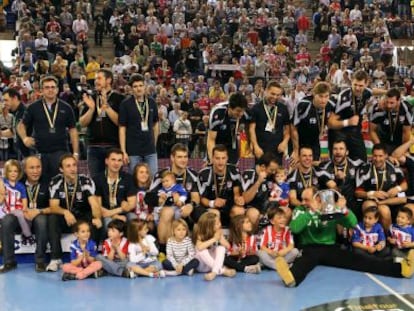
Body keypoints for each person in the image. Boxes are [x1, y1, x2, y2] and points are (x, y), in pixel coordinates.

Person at [274, 187, 414, 287]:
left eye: (306, 199)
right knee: (304, 262)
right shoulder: (300, 210)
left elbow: (353, 223)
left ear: (318, 199)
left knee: (363, 261)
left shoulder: (331, 209)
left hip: (330, 248)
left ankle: (401, 269)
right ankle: (292, 278)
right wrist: (311, 211)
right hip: (309, 247)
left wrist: (344, 210)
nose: (302, 202)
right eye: (302, 199)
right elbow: (295, 228)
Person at [17, 75, 79, 182]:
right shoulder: (33, 107)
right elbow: (21, 125)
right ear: (41, 90)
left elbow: (73, 131)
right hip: (40, 151)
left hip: (60, 151)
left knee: (60, 183)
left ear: (57, 90)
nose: (50, 90)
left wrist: (76, 153)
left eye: (53, 87)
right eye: (47, 87)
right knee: (41, 183)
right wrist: (25, 138)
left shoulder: (66, 107)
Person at [47, 154, 102, 272]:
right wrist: (65, 212)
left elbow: (94, 204)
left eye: (74, 165)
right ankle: (56, 258)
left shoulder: (85, 180)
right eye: (68, 166)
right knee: (52, 218)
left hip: (82, 217)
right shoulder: (55, 181)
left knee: (95, 222)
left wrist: (97, 217)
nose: (72, 169)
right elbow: (53, 206)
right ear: (61, 169)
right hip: (65, 218)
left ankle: (91, 258)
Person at [0, 156, 51, 273]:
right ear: (24, 170)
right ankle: (9, 262)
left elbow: (53, 207)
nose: (35, 171)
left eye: (38, 167)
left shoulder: (48, 182)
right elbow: (3, 180)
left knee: (42, 220)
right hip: (20, 216)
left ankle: (40, 261)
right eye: (32, 168)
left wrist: (38, 211)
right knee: (7, 220)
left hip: (38, 215)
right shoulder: (18, 182)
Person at [150, 143, 200, 246]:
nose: (183, 160)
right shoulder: (161, 175)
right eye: (179, 157)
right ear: (172, 158)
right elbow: (150, 197)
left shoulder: (193, 175)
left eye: (185, 157)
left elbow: (196, 197)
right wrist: (161, 199)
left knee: (203, 215)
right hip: (165, 212)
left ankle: (199, 251)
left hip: (185, 210)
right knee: (168, 212)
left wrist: (191, 205)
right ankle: (164, 250)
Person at [327, 70, 382, 162]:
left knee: (361, 161)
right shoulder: (344, 98)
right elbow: (331, 123)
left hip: (354, 131)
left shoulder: (366, 92)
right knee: (339, 163)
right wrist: (348, 122)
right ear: (351, 81)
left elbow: (373, 91)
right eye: (355, 84)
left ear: (366, 84)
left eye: (360, 85)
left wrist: (388, 92)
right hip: (338, 133)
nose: (357, 88)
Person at [79, 69, 125, 177]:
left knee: (114, 181)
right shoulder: (91, 98)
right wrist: (91, 109)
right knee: (95, 182)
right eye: (95, 79)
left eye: (99, 78)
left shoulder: (119, 99)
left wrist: (107, 107)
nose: (95, 81)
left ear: (108, 80)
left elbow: (121, 122)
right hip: (93, 147)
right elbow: (82, 123)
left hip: (113, 147)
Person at [355, 144, 407, 229]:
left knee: (386, 210)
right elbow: (357, 192)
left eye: (380, 156)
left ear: (386, 155)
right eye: (375, 156)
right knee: (377, 208)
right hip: (370, 200)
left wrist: (397, 188)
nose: (377, 159)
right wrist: (371, 194)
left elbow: (405, 184)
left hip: (390, 200)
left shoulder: (393, 166)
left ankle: (387, 238)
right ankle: (370, 236)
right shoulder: (364, 169)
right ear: (372, 155)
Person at [119, 73, 159, 175]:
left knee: (153, 179)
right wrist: (123, 151)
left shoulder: (151, 102)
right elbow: (122, 128)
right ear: (131, 88)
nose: (138, 89)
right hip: (133, 151)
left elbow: (156, 124)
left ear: (145, 86)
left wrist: (154, 143)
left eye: (141, 86)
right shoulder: (125, 104)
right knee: (135, 181)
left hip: (150, 150)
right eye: (135, 86)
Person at [198, 145, 245, 227]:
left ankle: (237, 238)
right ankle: (215, 239)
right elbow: (201, 198)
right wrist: (213, 203)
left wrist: (238, 199)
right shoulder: (204, 173)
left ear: (227, 158)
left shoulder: (234, 171)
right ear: (212, 158)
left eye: (223, 158)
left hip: (228, 206)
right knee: (215, 214)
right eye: (217, 158)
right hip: (211, 207)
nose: (221, 162)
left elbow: (236, 192)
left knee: (239, 211)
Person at [291, 81, 335, 163]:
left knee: (315, 169)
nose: (323, 100)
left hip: (314, 142)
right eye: (321, 96)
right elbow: (293, 127)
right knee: (297, 168)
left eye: (326, 96)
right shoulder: (304, 105)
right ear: (314, 94)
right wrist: (296, 150)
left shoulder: (330, 105)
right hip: (300, 142)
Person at [93, 148, 137, 230]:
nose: (116, 163)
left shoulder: (128, 178)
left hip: (122, 213)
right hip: (104, 213)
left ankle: (132, 242)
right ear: (106, 161)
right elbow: (97, 206)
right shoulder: (97, 179)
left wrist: (113, 213)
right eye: (113, 160)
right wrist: (113, 215)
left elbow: (131, 204)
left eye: (119, 160)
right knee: (108, 224)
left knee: (134, 219)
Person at [249, 80, 290, 165]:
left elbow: (287, 129)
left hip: (277, 150)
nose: (275, 97)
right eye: (272, 94)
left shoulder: (283, 108)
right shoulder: (256, 108)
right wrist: (255, 146)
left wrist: (284, 142)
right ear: (266, 91)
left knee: (277, 176)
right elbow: (251, 129)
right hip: (261, 149)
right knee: (261, 175)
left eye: (278, 95)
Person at [318, 139, 362, 216]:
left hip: (351, 206)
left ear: (347, 152)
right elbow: (335, 189)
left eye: (341, 149)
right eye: (335, 149)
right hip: (332, 206)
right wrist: (338, 179)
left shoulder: (356, 165)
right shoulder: (324, 167)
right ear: (331, 151)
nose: (338, 152)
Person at [207, 92, 249, 165]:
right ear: (230, 108)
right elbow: (211, 139)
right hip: (217, 141)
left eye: (243, 111)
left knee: (231, 169)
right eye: (238, 111)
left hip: (232, 142)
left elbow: (247, 133)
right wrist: (212, 159)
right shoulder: (218, 113)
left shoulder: (245, 114)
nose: (241, 114)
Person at [194, 212, 236, 281]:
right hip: (201, 266)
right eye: (217, 224)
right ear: (209, 226)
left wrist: (221, 240)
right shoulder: (200, 234)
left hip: (212, 266)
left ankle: (214, 273)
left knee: (221, 248)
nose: (220, 225)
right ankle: (222, 271)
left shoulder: (219, 233)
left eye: (219, 222)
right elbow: (199, 247)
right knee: (202, 250)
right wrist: (214, 239)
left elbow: (228, 247)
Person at [369, 88, 412, 154]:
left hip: (400, 141)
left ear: (398, 101)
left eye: (392, 103)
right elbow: (372, 131)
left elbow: (406, 132)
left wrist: (403, 151)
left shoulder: (406, 109)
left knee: (401, 159)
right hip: (382, 141)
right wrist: (381, 150)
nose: (389, 106)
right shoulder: (378, 109)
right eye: (387, 102)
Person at [242, 152, 280, 227]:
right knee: (254, 214)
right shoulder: (249, 174)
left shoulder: (272, 176)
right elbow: (245, 199)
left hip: (267, 207)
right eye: (272, 170)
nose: (274, 172)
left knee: (284, 211)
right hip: (251, 207)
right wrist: (258, 182)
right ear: (263, 167)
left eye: (275, 170)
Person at [1, 160, 33, 245]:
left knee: (27, 217)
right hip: (6, 208)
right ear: (6, 172)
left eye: (15, 171)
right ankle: (28, 235)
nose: (13, 173)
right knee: (20, 214)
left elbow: (24, 198)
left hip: (18, 207)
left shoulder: (20, 186)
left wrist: (25, 209)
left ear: (19, 173)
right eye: (10, 171)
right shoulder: (3, 182)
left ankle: (24, 234)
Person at [258, 205, 299, 270]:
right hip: (271, 255)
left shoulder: (287, 230)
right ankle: (280, 266)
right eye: (279, 218)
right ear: (272, 221)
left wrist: (285, 250)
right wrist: (271, 252)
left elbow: (291, 245)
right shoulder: (267, 230)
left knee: (295, 251)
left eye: (284, 217)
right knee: (260, 253)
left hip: (282, 256)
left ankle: (271, 265)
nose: (283, 220)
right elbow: (262, 246)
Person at [2, 88, 31, 159]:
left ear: (15, 98)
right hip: (21, 152)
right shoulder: (15, 112)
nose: (4, 103)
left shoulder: (25, 112)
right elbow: (13, 131)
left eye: (6, 100)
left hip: (29, 154)